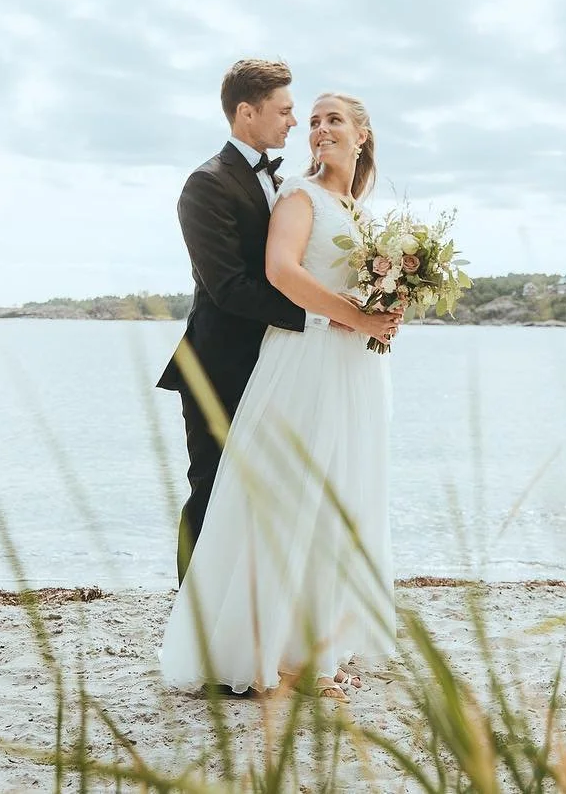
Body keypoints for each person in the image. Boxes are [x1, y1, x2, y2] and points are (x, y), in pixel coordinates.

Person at [159, 91, 399, 701]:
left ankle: (314, 651)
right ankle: (267, 656)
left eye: (331, 119)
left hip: (352, 366)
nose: (315, 128)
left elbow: (356, 286)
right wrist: (354, 316)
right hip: (304, 363)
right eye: (310, 120)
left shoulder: (359, 211)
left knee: (338, 499)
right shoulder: (298, 195)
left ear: (363, 134)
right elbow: (279, 272)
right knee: (288, 498)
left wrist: (385, 309)